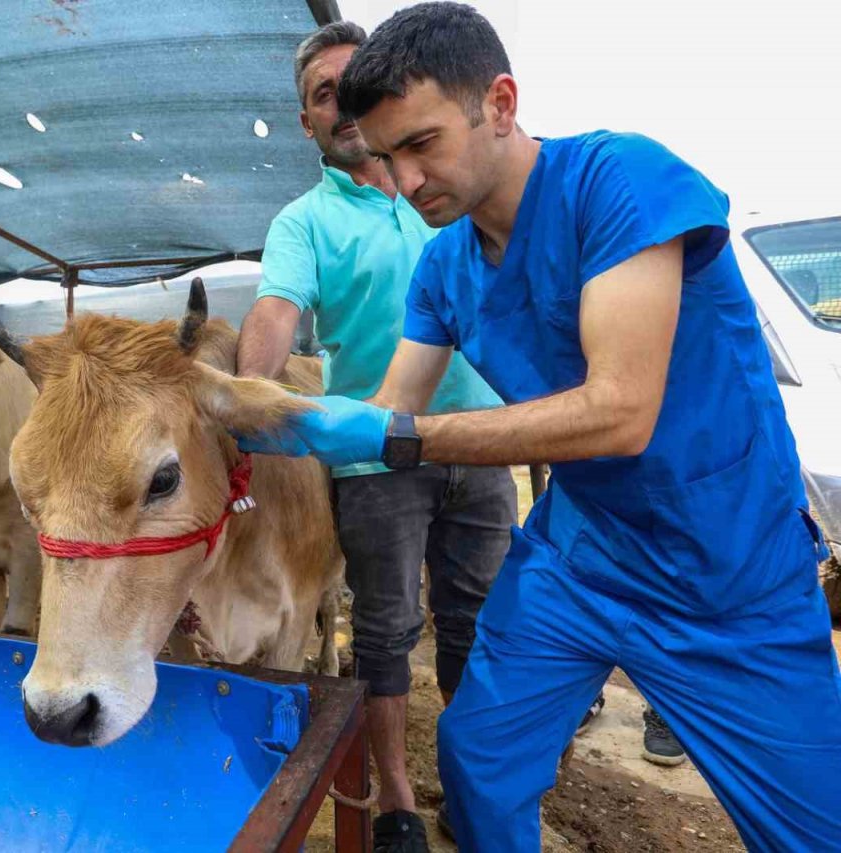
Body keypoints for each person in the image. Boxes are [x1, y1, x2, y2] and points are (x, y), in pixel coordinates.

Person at [235, 3, 841, 850]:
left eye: (421, 144)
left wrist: (396, 437)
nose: (406, 182)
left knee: (814, 825)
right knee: (479, 758)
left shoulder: (619, 183)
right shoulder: (446, 263)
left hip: (728, 567)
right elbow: (390, 407)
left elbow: (621, 412)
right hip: (585, 554)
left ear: (501, 102)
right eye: (387, 157)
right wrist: (277, 416)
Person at [237, 21, 515, 851]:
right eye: (325, 94)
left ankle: (473, 783)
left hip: (484, 443)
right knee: (388, 632)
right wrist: (248, 402)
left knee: (477, 624)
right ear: (308, 122)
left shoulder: (445, 187)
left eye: (357, 84)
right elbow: (277, 312)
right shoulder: (303, 222)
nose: (345, 103)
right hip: (377, 457)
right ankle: (396, 800)